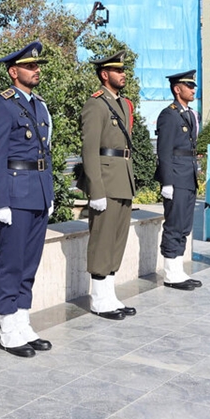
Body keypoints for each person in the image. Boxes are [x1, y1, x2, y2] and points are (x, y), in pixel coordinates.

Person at [0, 40, 54, 358]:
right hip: (15, 194)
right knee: (11, 264)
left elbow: (45, 153)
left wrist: (49, 194)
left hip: (37, 191)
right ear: (14, 72)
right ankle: (8, 328)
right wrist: (0, 202)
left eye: (37, 66)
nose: (36, 70)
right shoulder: (2, 105)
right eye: (29, 66)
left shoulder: (38, 104)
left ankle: (22, 321)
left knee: (30, 264)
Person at [77, 51, 137, 319]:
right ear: (104, 75)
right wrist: (96, 190)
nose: (123, 74)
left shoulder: (124, 104)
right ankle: (99, 299)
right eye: (117, 70)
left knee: (117, 241)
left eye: (123, 70)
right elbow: (89, 150)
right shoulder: (96, 105)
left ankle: (110, 295)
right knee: (102, 240)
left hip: (123, 178)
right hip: (106, 181)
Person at [155, 70, 203, 290]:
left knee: (184, 224)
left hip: (188, 174)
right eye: (189, 85)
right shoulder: (169, 115)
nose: (193, 89)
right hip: (176, 175)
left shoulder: (190, 113)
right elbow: (164, 150)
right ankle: (170, 273)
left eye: (193, 86)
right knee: (174, 224)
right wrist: (167, 182)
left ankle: (178, 269)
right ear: (177, 89)